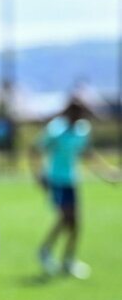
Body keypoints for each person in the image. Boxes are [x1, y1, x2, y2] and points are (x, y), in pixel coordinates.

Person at [32, 96, 116, 278]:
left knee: (75, 223)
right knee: (66, 216)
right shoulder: (56, 129)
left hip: (71, 180)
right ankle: (45, 250)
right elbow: (37, 148)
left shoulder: (81, 130)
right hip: (56, 179)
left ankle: (68, 260)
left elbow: (87, 154)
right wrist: (38, 175)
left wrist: (106, 173)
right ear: (70, 112)